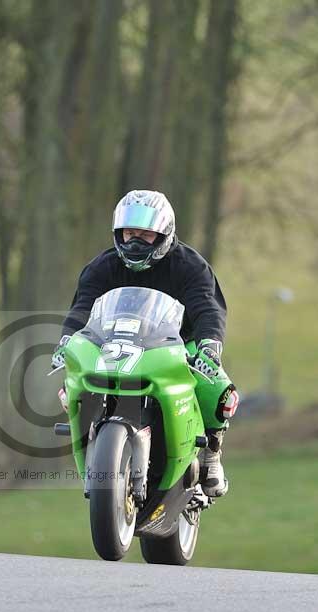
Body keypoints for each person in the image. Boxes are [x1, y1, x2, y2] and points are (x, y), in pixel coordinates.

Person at [51, 189, 239, 497]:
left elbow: (207, 308)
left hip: (178, 345)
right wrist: (66, 340)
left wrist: (210, 345)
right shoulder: (102, 267)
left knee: (218, 390)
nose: (135, 243)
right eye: (129, 234)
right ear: (118, 234)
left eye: (145, 235)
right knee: (71, 384)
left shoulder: (190, 266)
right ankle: (91, 441)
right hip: (111, 343)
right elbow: (82, 307)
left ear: (164, 234)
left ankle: (211, 453)